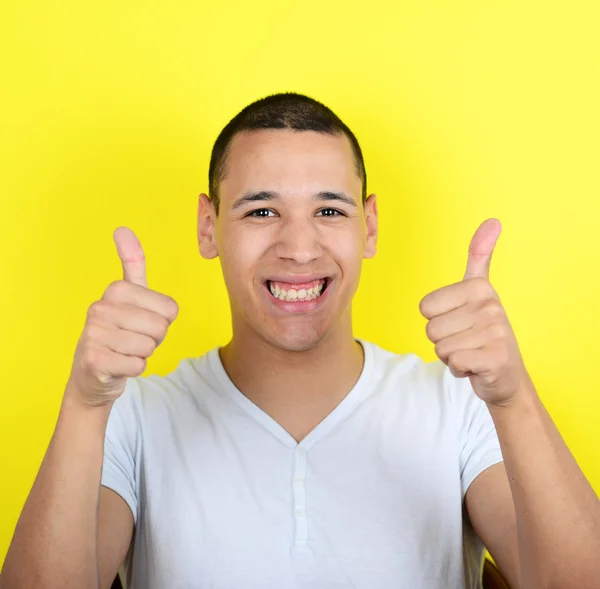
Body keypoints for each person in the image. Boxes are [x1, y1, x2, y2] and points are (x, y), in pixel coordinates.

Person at [1, 92, 599, 589]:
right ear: (209, 227)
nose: (299, 247)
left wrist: (513, 398)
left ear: (369, 227)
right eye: (262, 212)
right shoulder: (131, 415)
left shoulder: (461, 406)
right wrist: (84, 406)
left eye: (330, 212)